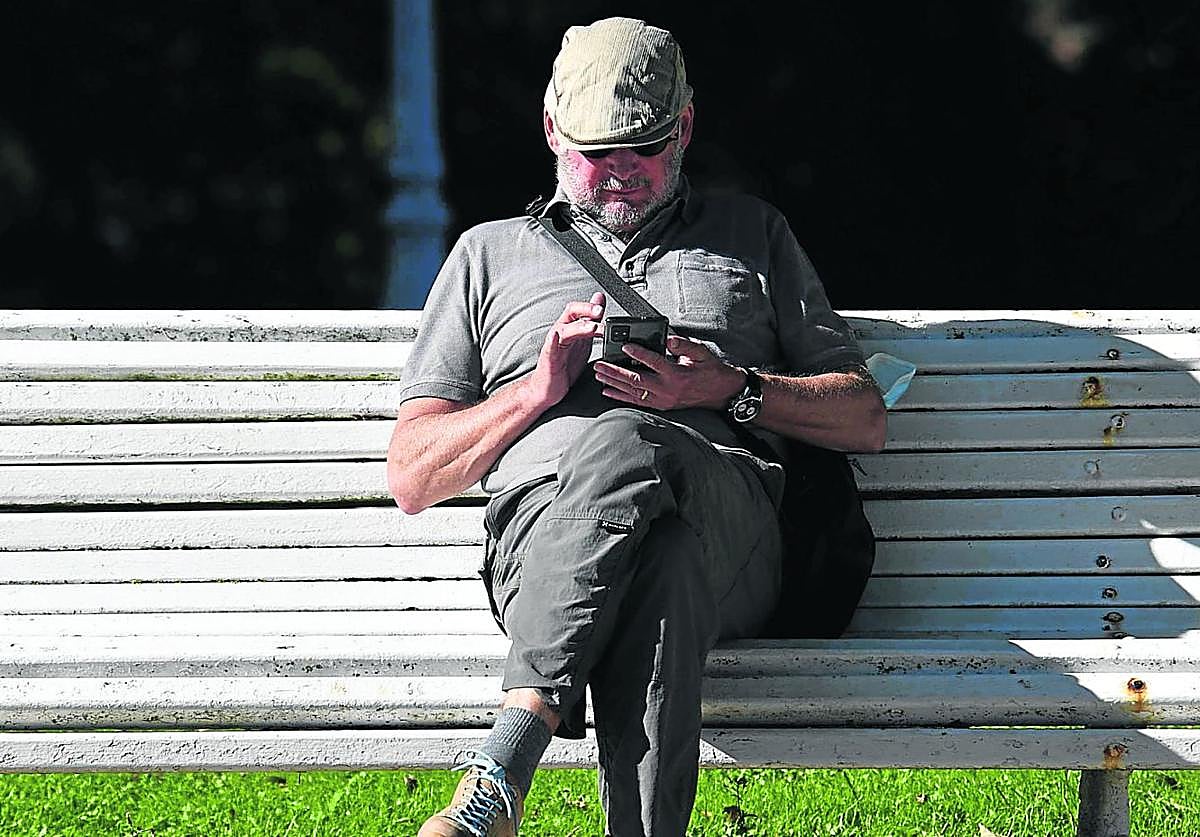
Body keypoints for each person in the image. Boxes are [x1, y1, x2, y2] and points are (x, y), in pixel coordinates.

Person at [387, 15, 886, 837]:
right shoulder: (486, 254)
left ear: (683, 129)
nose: (618, 172)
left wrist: (728, 387)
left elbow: (864, 416)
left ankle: (502, 772)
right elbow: (412, 475)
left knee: (634, 441)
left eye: (643, 149)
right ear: (552, 132)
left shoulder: (752, 236)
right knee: (663, 559)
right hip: (543, 542)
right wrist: (535, 394)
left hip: (736, 530)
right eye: (594, 151)